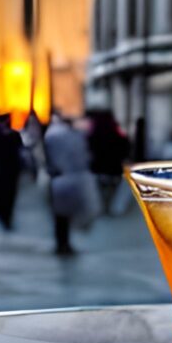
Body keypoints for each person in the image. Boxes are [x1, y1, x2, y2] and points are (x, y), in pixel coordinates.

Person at [43, 113, 99, 256]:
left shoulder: (52, 135)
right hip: (71, 177)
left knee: (60, 215)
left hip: (58, 178)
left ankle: (62, 244)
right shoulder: (75, 135)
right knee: (65, 214)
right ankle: (64, 244)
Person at [87, 109, 131, 212]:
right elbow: (127, 153)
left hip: (96, 171)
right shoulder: (120, 137)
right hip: (115, 171)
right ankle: (116, 208)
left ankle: (97, 206)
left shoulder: (92, 137)